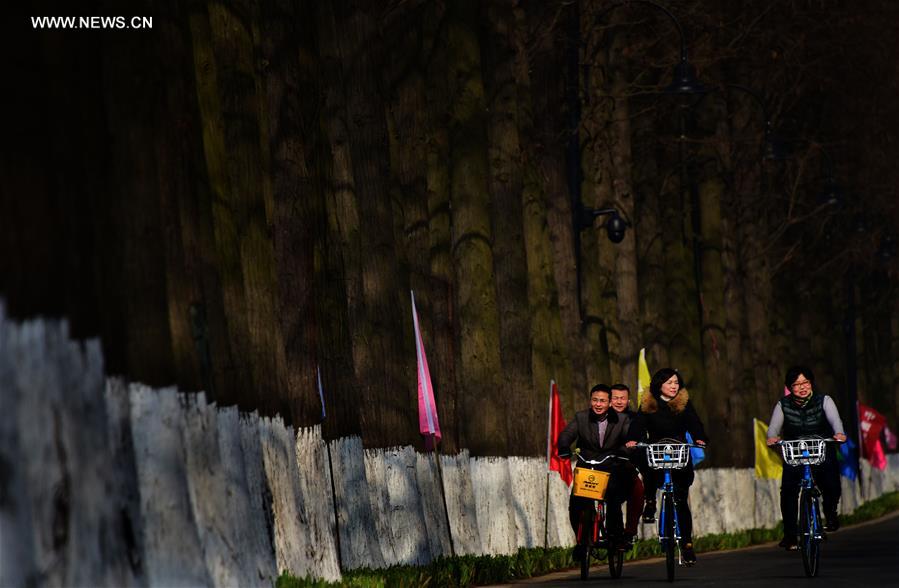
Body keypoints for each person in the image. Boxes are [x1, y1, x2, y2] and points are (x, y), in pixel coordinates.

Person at [626, 368, 707, 564]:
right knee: (647, 466)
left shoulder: (684, 404)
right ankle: (651, 501)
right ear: (659, 384)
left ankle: (687, 545)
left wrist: (699, 437)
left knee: (681, 499)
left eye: (676, 383)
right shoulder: (648, 404)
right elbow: (637, 425)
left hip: (678, 452)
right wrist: (633, 439)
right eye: (669, 382)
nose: (674, 386)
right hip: (656, 451)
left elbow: (694, 423)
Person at [766, 365, 846, 550]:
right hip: (795, 452)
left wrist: (839, 434)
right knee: (788, 490)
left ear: (811, 383)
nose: (802, 387)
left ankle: (830, 512)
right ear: (789, 387)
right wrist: (772, 437)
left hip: (821, 449)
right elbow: (774, 427)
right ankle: (790, 535)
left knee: (831, 483)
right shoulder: (783, 405)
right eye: (796, 384)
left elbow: (836, 421)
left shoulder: (824, 401)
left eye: (806, 382)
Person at [558, 384, 634, 555]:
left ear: (609, 403)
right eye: (595, 400)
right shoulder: (581, 418)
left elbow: (630, 440)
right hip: (586, 465)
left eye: (602, 401)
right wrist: (563, 447)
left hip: (611, 466)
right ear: (590, 401)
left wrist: (624, 452)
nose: (598, 404)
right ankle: (581, 541)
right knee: (576, 503)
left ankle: (616, 537)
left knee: (613, 501)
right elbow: (566, 434)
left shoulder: (622, 420)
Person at [610, 383, 645, 540]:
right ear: (609, 400)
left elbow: (641, 442)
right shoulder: (600, 416)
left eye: (622, 398)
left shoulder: (635, 420)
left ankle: (630, 531)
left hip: (626, 466)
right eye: (615, 398)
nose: (619, 401)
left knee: (638, 489)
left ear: (628, 400)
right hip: (601, 466)